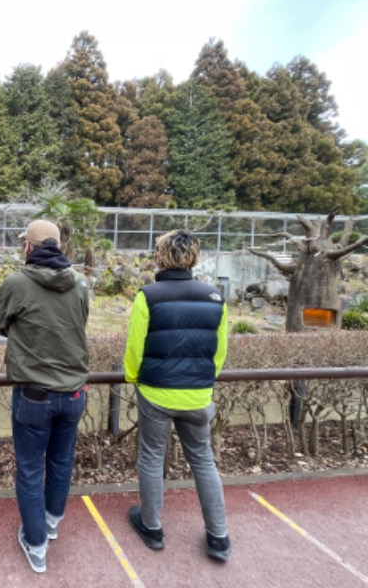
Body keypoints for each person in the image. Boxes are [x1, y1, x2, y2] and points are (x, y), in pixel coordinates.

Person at [123, 228, 231, 562]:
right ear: (194, 257)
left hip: (156, 392)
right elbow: (220, 351)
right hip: (198, 394)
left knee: (153, 457)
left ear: (161, 256)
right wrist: (204, 379)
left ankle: (152, 526)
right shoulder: (215, 297)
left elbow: (134, 349)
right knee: (203, 460)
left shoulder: (149, 295)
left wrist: (133, 378)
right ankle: (219, 536)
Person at [0, 219, 90, 574]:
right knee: (61, 461)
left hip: (34, 394)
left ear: (29, 248)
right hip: (74, 391)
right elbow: (79, 323)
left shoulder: (17, 283)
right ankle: (50, 524)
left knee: (31, 470)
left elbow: (2, 322)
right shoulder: (80, 283)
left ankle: (35, 545)